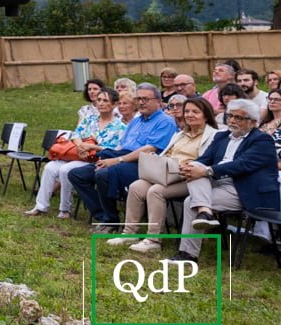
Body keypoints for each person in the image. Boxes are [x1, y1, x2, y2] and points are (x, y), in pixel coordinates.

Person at [174, 98, 280, 262]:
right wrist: (190, 166)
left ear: (252, 122)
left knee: (190, 201)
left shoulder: (262, 140)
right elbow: (205, 159)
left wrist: (207, 170)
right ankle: (205, 213)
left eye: (238, 117)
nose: (232, 120)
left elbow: (242, 165)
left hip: (244, 189)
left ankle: (188, 253)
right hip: (218, 182)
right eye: (230, 116)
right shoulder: (222, 136)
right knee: (195, 170)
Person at [107, 97, 217, 254]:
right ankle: (129, 233)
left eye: (195, 112)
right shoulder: (180, 134)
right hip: (168, 173)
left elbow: (209, 161)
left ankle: (153, 239)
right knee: (136, 186)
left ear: (206, 115)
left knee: (156, 191)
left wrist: (187, 166)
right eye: (187, 111)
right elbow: (167, 153)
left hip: (191, 179)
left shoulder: (213, 135)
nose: (189, 115)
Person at [69, 82, 178, 230]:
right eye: (139, 99)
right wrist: (110, 157)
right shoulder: (136, 121)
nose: (141, 102)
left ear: (159, 101)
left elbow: (149, 149)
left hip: (144, 164)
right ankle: (102, 215)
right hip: (122, 156)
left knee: (103, 174)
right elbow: (122, 146)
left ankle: (111, 220)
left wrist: (117, 160)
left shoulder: (165, 121)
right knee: (77, 175)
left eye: (146, 99)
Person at [25, 86, 125, 219]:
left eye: (105, 101)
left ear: (114, 104)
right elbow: (76, 134)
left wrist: (91, 147)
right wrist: (81, 147)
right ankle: (40, 206)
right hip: (78, 154)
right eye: (99, 100)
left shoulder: (120, 127)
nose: (101, 103)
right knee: (49, 167)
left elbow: (115, 150)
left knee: (65, 170)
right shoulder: (90, 119)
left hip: (95, 159)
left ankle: (65, 209)